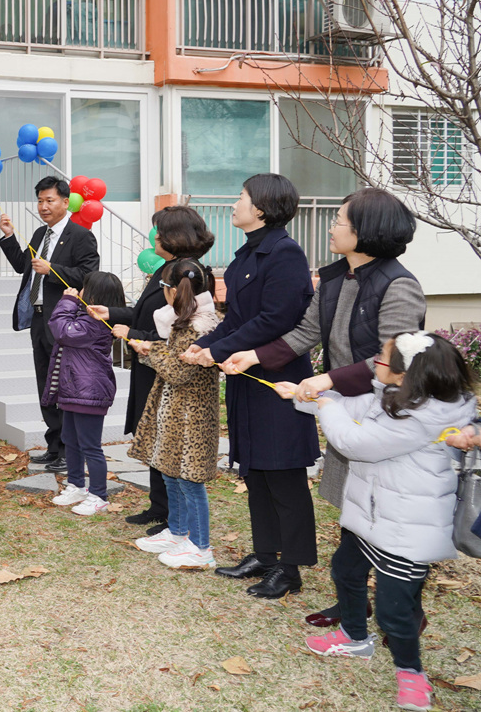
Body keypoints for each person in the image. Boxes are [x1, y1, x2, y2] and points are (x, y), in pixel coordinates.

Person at [222, 187, 424, 626]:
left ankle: (398, 605)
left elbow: (393, 360)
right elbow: (303, 333)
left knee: (379, 507)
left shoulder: (399, 284)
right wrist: (253, 356)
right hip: (345, 407)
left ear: (366, 231)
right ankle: (355, 597)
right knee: (353, 504)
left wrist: (326, 379)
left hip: (384, 414)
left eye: (339, 221)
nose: (331, 227)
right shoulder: (335, 277)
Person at [283, 332, 476, 712]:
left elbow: (353, 442)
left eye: (382, 358)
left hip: (406, 528)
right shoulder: (399, 397)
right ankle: (354, 637)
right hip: (372, 513)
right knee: (346, 571)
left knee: (394, 610)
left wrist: (324, 403)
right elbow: (350, 407)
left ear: (406, 375)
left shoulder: (421, 417)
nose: (376, 361)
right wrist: (303, 396)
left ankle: (411, 673)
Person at [181, 174, 320, 599]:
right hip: (245, 374)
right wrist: (205, 344)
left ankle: (290, 567)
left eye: (241, 197)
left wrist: (219, 348)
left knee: (283, 473)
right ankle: (266, 553)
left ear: (261, 207)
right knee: (255, 470)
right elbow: (240, 319)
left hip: (276, 374)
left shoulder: (284, 253)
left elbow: (277, 319)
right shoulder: (247, 253)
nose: (235, 204)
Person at [88, 205, 215, 535]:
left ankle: (175, 517)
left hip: (167, 367)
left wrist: (135, 337)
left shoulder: (188, 273)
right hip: (151, 364)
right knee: (156, 438)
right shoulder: (167, 267)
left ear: (176, 236)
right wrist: (114, 313)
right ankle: (161, 507)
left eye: (159, 230)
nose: (154, 236)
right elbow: (147, 314)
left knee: (169, 442)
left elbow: (175, 331)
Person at [0, 176, 100, 474]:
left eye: (49, 200)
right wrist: (8, 237)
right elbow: (23, 265)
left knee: (64, 384)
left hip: (63, 321)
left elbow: (87, 275)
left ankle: (70, 451)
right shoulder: (40, 233)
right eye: (40, 200)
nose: (43, 206)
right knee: (45, 383)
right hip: (39, 318)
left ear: (65, 203)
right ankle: (54, 446)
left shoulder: (81, 236)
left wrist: (52, 269)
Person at [126, 258, 222, 569]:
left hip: (191, 415)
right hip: (174, 411)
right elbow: (171, 359)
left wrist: (150, 351)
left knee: (190, 479)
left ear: (171, 291)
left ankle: (201, 545)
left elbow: (179, 372)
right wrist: (153, 349)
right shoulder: (182, 323)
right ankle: (178, 532)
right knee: (170, 472)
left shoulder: (197, 326)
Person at [44, 272, 124, 516]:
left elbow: (63, 332)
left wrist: (67, 302)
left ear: (94, 294)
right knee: (71, 440)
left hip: (89, 391)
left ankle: (99, 494)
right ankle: (76, 485)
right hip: (73, 389)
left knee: (90, 446)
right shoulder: (86, 317)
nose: (79, 290)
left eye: (84, 288)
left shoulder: (96, 323)